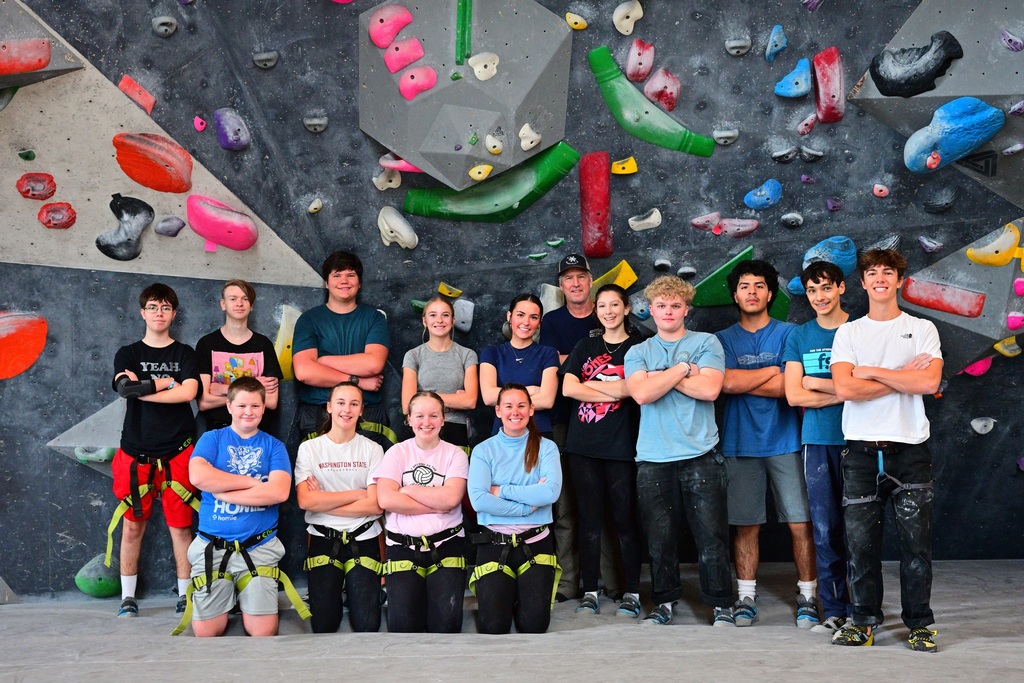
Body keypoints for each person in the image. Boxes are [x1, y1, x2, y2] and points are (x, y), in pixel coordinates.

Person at [829, 248, 942, 652]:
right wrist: (902, 375)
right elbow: (845, 388)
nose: (880, 278)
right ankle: (863, 623)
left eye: (888, 272)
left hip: (910, 451)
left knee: (916, 549)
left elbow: (928, 383)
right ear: (862, 283)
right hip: (861, 453)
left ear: (899, 281)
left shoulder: (922, 328)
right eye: (872, 273)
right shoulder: (849, 333)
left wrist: (872, 372)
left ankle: (919, 625)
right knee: (861, 549)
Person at [623, 275, 735, 626]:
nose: (668, 311)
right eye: (661, 305)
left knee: (712, 536)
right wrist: (685, 369)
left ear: (687, 309)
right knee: (660, 539)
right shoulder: (638, 351)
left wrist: (660, 378)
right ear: (651, 310)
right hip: (653, 457)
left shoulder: (707, 342)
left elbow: (710, 390)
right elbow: (641, 394)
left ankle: (720, 603)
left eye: (675, 305)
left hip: (701, 452)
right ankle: (664, 601)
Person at [715, 260, 817, 629]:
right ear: (735, 295)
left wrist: (748, 380)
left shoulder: (791, 334)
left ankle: (808, 596)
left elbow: (790, 389)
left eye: (759, 285)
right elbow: (724, 383)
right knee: (746, 525)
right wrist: (773, 371)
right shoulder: (721, 339)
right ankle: (746, 597)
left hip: (786, 441)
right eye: (744, 286)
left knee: (800, 523)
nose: (752, 292)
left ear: (770, 293)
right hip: (739, 443)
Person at [109, 283, 200, 618]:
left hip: (178, 451)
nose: (158, 313)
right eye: (152, 307)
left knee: (181, 526)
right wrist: (164, 383)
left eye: (165, 307)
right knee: (133, 526)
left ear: (173, 314)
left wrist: (143, 390)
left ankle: (185, 595)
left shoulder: (185, 353)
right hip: (136, 453)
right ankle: (127, 598)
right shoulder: (128, 353)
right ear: (142, 312)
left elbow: (188, 393)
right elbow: (124, 388)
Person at [185, 377, 293, 637]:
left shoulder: (274, 447)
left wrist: (225, 493)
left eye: (255, 406)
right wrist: (252, 483)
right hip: (213, 546)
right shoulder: (212, 439)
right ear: (229, 406)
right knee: (206, 632)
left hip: (258, 547)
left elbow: (278, 492)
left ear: (264, 407)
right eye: (242, 405)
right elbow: (198, 476)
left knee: (263, 632)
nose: (248, 412)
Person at [560, 284, 643, 617]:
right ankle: (590, 591)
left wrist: (591, 386)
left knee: (625, 521)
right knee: (589, 521)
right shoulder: (586, 346)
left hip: (622, 446)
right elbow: (568, 388)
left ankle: (633, 591)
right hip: (583, 447)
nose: (608, 311)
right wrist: (615, 390)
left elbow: (636, 390)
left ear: (626, 308)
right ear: (597, 310)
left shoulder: (639, 347)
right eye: (603, 306)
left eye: (614, 305)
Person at [783, 261, 853, 635]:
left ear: (841, 288)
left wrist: (817, 383)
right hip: (817, 441)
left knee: (858, 531)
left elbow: (867, 388)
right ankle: (835, 610)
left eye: (826, 287)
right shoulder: (800, 335)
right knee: (825, 530)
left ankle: (862, 611)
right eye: (812, 290)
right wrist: (844, 392)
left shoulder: (859, 330)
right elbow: (795, 395)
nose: (819, 296)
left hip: (858, 439)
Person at [538, 254, 607, 602]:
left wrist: (572, 362)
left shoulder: (607, 311)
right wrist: (595, 362)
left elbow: (625, 357)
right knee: (565, 506)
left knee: (605, 503)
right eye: (568, 278)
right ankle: (568, 582)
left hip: (608, 419)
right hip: (564, 421)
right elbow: (551, 366)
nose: (575, 283)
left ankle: (611, 580)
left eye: (581, 276)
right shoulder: (552, 321)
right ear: (561, 285)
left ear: (590, 280)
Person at [468, 384, 562, 634]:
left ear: (531, 409)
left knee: (535, 625)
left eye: (521, 405)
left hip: (535, 542)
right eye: (508, 406)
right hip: (494, 543)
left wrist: (501, 490)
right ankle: (505, 595)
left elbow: (550, 493)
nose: (515, 412)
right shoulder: (483, 450)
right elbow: (479, 501)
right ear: (498, 411)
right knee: (493, 626)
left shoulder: (547, 447)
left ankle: (519, 595)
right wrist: (528, 507)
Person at [375, 392, 469, 632]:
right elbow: (386, 499)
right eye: (419, 416)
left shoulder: (455, 454)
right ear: (409, 419)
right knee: (403, 628)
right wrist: (437, 503)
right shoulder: (396, 452)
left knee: (446, 627)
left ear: (443, 419)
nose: (426, 422)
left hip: (446, 544)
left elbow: (451, 498)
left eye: (433, 416)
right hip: (402, 546)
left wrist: (408, 490)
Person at [295, 382, 385, 633]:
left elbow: (375, 505)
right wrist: (357, 495)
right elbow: (305, 501)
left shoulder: (373, 449)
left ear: (361, 410)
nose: (347, 409)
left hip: (364, 536)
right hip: (323, 538)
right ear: (329, 407)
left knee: (367, 624)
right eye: (341, 403)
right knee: (324, 624)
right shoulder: (309, 448)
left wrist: (323, 500)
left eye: (354, 404)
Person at [292, 251, 392, 449]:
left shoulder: (374, 318)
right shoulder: (309, 320)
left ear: (359, 282)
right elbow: (304, 372)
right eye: (337, 275)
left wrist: (323, 361)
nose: (344, 281)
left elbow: (373, 364)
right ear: (326, 283)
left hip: (366, 413)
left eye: (351, 275)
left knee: (368, 470)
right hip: (318, 412)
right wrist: (357, 381)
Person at [195, 279, 282, 432]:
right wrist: (254, 385)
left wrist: (221, 389)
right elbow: (204, 402)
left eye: (245, 299)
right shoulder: (207, 344)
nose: (239, 303)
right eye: (233, 299)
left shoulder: (263, 345)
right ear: (223, 304)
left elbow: (271, 401)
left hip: (256, 432)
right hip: (217, 430)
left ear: (251, 305)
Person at [401, 296, 478, 447]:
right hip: (422, 427)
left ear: (453, 320)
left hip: (455, 427)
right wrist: (455, 401)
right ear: (424, 321)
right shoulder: (413, 355)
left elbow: (470, 401)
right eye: (433, 315)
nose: (439, 320)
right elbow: (407, 405)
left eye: (445, 315)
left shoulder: (467, 354)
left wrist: (422, 396)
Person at [479, 294, 559, 436]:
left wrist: (506, 401)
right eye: (520, 315)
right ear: (509, 316)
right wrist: (530, 390)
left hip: (539, 433)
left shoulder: (549, 353)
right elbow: (488, 397)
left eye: (533, 317)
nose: (526, 322)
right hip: (502, 434)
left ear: (540, 322)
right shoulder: (492, 353)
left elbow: (547, 400)